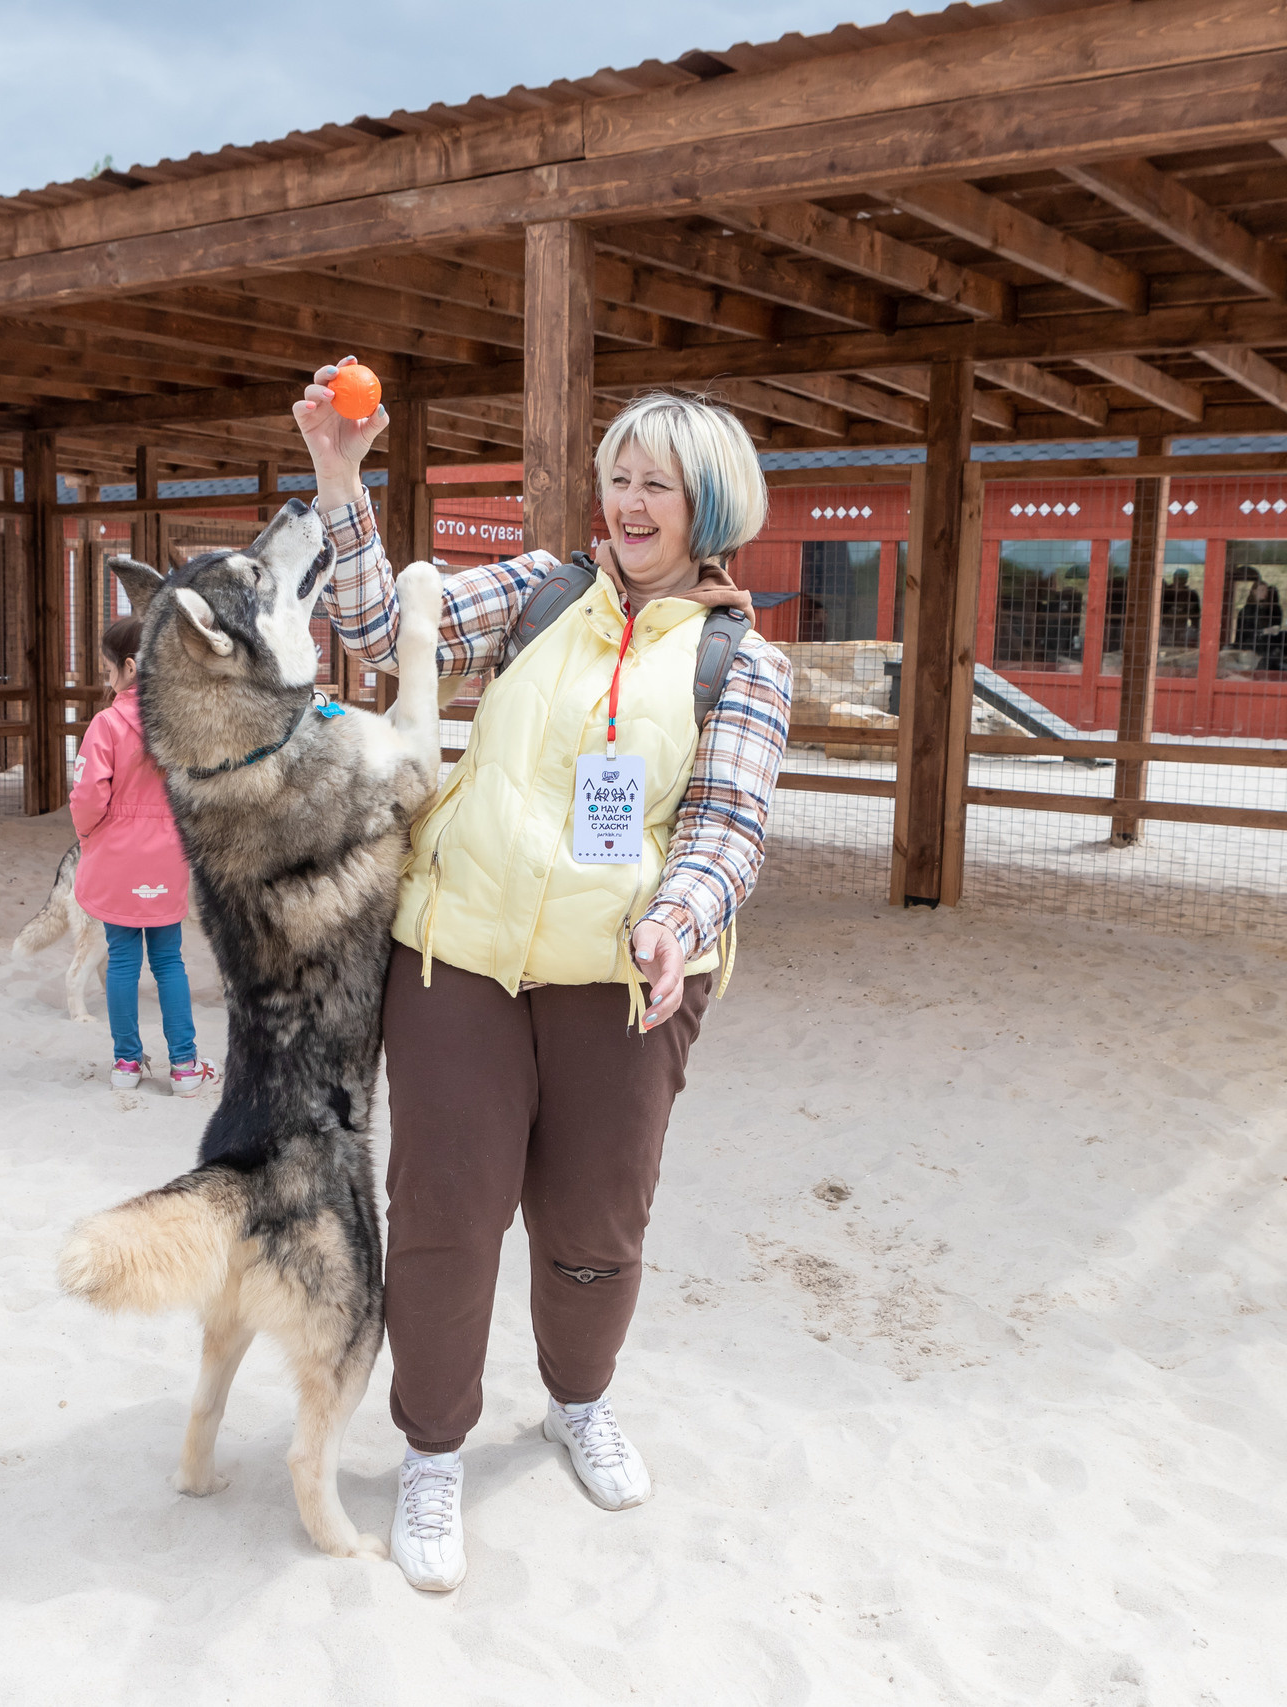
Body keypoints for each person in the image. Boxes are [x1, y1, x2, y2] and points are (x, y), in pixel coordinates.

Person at [299, 367, 793, 1592]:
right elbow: (376, 636)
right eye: (618, 477)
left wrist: (680, 917)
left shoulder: (743, 664)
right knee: (446, 1215)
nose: (628, 503)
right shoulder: (540, 590)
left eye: (656, 486)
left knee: (593, 1226)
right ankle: (430, 1450)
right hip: (456, 955)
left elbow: (728, 821)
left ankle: (578, 1400)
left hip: (620, 984)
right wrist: (340, 483)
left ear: (709, 508)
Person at [69, 616, 212, 1097]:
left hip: (117, 855)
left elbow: (88, 794)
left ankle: (127, 1063)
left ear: (129, 667)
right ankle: (186, 1066)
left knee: (124, 960)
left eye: (108, 669)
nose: (106, 677)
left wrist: (89, 834)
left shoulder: (106, 724)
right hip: (168, 855)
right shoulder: (182, 722)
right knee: (169, 960)